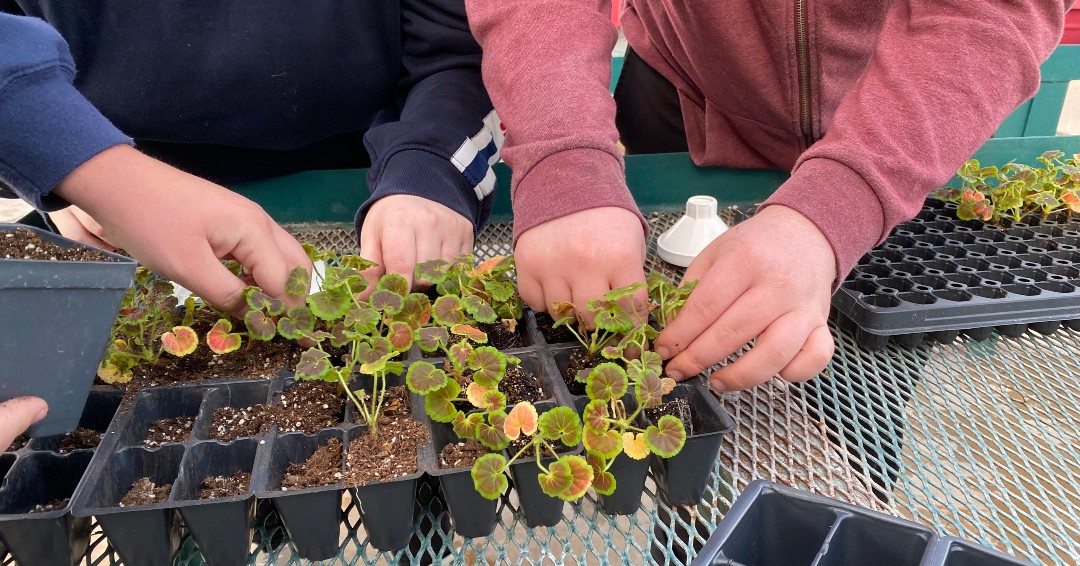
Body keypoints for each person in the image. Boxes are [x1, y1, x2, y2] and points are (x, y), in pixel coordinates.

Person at [465, 0, 1070, 392]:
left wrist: (842, 202)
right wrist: (565, 157)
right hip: (686, 93)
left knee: (862, 392)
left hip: (898, 117)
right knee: (662, 366)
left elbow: (987, 12)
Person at [0, 0, 501, 315]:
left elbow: (457, 49)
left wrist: (431, 170)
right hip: (117, 210)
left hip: (371, 180)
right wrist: (73, 166)